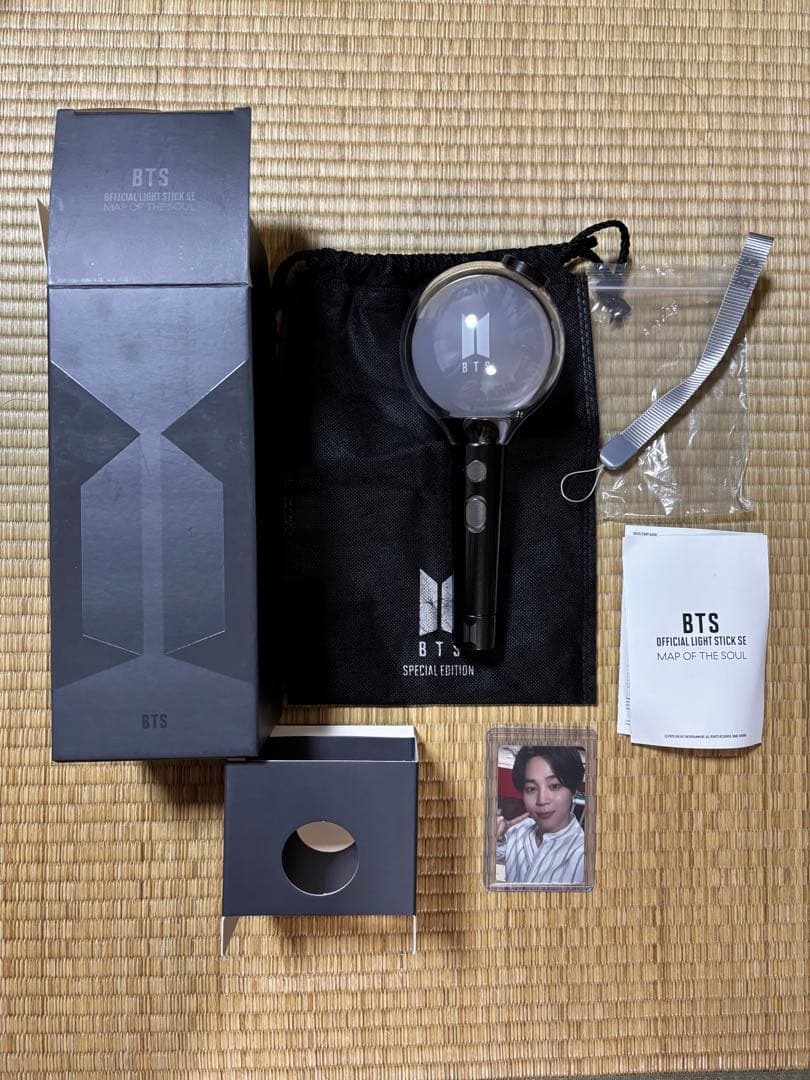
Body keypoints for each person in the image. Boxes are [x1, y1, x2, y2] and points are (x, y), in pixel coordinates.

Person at [496, 746, 585, 885]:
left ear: (573, 791)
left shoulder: (584, 856)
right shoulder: (518, 831)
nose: (542, 800)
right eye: (531, 789)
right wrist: (496, 835)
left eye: (554, 786)